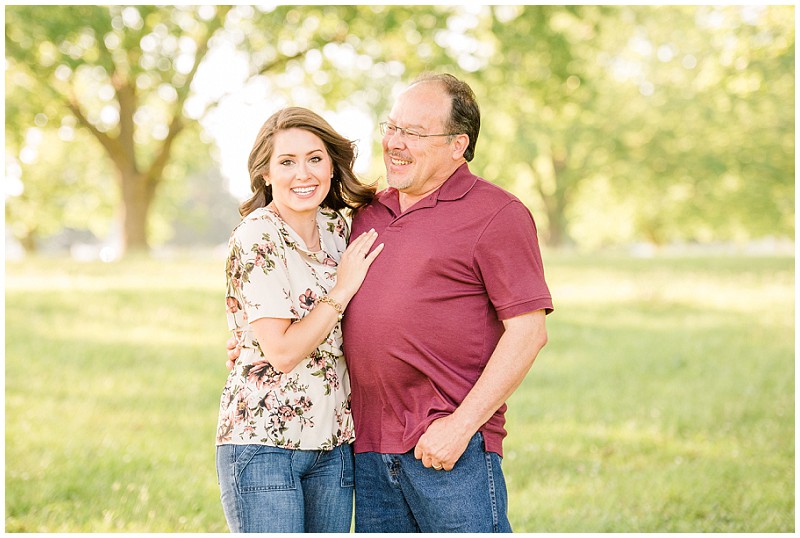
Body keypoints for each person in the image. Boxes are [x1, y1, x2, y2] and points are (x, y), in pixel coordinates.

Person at [228, 73, 553, 533]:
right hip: (365, 453)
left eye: (414, 134)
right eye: (392, 127)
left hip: (447, 449)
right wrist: (251, 344)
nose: (395, 144)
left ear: (458, 145)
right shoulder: (362, 215)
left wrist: (460, 428)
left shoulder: (498, 215)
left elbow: (529, 332)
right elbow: (300, 298)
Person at [216, 106, 383, 533]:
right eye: (286, 162)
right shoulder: (258, 235)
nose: (302, 173)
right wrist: (341, 290)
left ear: (331, 165)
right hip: (265, 442)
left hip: (332, 444)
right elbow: (283, 351)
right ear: (266, 174)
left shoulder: (337, 230)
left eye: (314, 158)